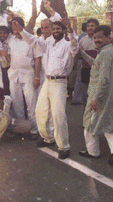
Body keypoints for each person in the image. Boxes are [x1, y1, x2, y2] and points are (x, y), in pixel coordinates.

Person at [13, 18, 79, 159]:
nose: (55, 31)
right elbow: (33, 41)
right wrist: (21, 31)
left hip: (60, 83)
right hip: (47, 82)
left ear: (63, 30)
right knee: (40, 111)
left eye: (58, 29)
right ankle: (48, 138)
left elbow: (75, 47)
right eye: (53, 29)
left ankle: (64, 147)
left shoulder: (68, 45)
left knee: (58, 115)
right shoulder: (48, 43)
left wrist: (71, 31)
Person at [78, 25, 113, 166]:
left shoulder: (105, 53)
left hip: (99, 96)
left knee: (89, 124)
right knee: (106, 125)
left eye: (100, 37)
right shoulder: (106, 51)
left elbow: (103, 78)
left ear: (108, 37)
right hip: (105, 95)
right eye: (95, 37)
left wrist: (95, 99)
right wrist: (83, 54)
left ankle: (93, 151)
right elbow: (96, 66)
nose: (97, 40)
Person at [6, 16, 42, 139]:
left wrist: (37, 77)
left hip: (28, 75)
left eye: (17, 25)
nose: (14, 28)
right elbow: (11, 57)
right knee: (17, 103)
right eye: (13, 26)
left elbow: (37, 59)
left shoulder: (31, 40)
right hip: (14, 74)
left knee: (31, 102)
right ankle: (21, 128)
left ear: (22, 26)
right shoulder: (11, 40)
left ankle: (34, 130)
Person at [79, 18, 99, 111]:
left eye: (92, 26)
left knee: (96, 95)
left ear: (97, 27)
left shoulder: (100, 40)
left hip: (98, 70)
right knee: (85, 96)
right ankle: (86, 121)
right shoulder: (82, 40)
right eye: (88, 26)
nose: (90, 28)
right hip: (85, 70)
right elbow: (79, 55)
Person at [0, 25, 10, 95]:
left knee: (6, 88)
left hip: (6, 69)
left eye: (4, 33)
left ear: (8, 34)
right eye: (0, 33)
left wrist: (5, 54)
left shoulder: (10, 43)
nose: (2, 35)